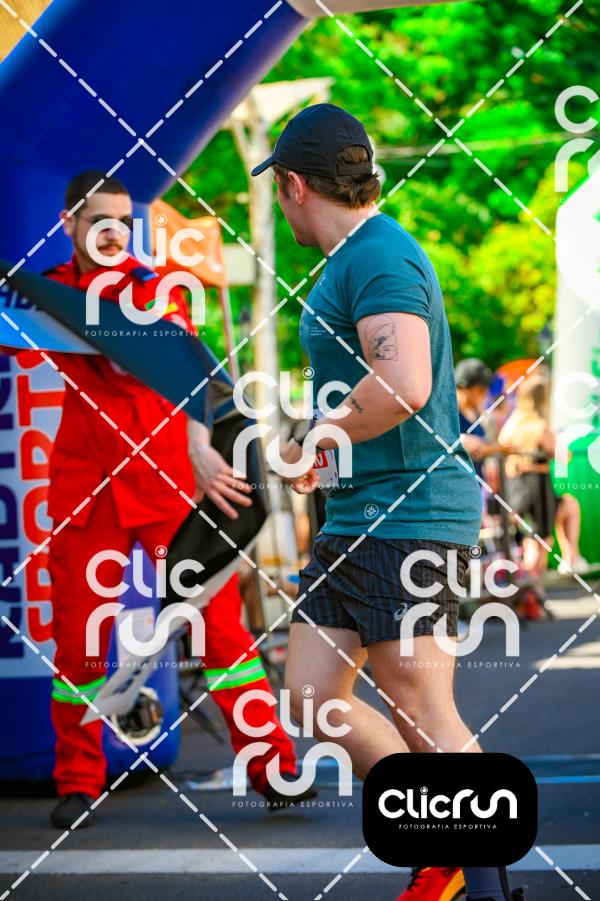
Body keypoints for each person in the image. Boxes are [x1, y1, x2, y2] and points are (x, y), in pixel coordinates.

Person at [251, 104, 525, 901]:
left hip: (410, 517)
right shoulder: (351, 260)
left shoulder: (379, 255)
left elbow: (403, 383)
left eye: (280, 190)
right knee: (313, 697)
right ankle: (442, 844)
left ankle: (485, 880)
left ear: (294, 185)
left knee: (424, 709)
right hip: (356, 517)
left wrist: (320, 432)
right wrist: (326, 446)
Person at [3, 171, 311, 828]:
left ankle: (273, 768)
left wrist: (201, 445)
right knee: (79, 645)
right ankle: (79, 781)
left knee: (219, 629)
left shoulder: (157, 287)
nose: (115, 233)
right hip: (84, 487)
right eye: (99, 221)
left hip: (169, 481)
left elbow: (184, 368)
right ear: (68, 224)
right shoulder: (45, 291)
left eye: (124, 221)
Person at [499, 376, 587, 592]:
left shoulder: (511, 425)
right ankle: (532, 590)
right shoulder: (540, 427)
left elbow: (503, 453)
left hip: (515, 490)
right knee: (538, 542)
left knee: (565, 509)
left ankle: (568, 559)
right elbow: (564, 456)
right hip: (537, 490)